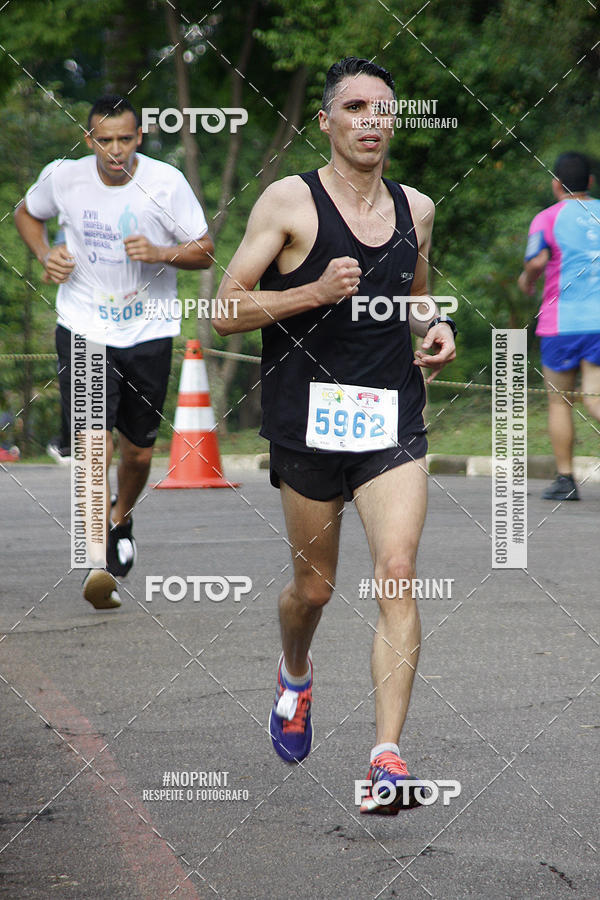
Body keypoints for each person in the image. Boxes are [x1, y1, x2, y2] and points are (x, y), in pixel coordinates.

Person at [214, 58, 456, 814]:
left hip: (390, 418)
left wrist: (437, 326)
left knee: (397, 568)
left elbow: (415, 298)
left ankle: (386, 758)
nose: (372, 120)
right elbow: (224, 309)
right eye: (354, 106)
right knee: (313, 589)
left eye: (384, 109)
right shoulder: (290, 200)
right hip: (306, 421)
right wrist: (314, 292)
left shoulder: (416, 207)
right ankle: (295, 672)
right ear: (326, 121)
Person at [15, 95, 214, 608]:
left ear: (140, 136)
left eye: (125, 139)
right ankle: (94, 558)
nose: (115, 150)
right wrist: (46, 255)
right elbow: (26, 214)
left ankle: (121, 518)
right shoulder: (64, 176)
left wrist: (162, 251)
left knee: (139, 451)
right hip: (83, 324)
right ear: (89, 141)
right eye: (105, 140)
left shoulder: (166, 183)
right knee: (92, 443)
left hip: (148, 329)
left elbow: (204, 248)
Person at [518, 151, 600, 501]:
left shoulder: (546, 218)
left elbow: (537, 261)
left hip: (560, 322)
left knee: (559, 402)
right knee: (595, 394)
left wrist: (527, 280)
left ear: (556, 185)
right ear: (591, 183)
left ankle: (565, 480)